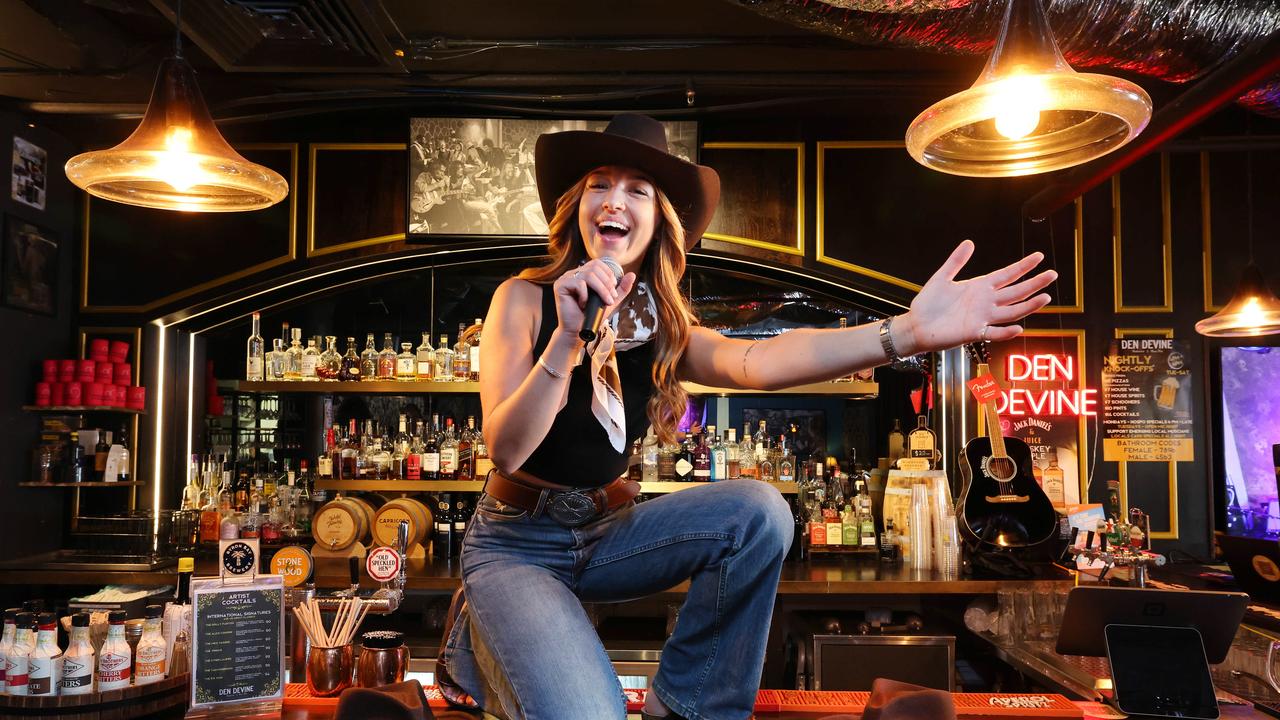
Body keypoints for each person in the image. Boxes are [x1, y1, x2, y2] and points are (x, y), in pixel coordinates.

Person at [436, 114, 1056, 720]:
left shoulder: (661, 327)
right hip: (518, 544)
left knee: (760, 512)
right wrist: (568, 339)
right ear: (577, 205)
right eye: (599, 184)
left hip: (606, 534)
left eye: (637, 190)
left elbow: (759, 361)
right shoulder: (523, 299)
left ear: (659, 222)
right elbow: (507, 449)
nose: (613, 200)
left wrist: (906, 332)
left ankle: (688, 707)